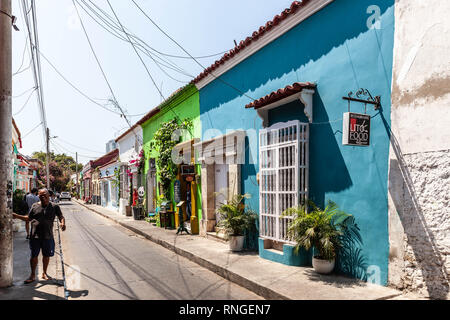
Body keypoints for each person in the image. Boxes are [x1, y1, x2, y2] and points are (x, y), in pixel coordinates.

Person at [13, 188, 66, 284]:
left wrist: (62, 223)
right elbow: (28, 218)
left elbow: (61, 216)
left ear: (49, 196)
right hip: (35, 236)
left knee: (46, 256)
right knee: (34, 256)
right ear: (38, 196)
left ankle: (44, 273)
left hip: (48, 236)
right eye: (41, 196)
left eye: (45, 195)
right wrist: (17, 216)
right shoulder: (34, 206)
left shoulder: (54, 207)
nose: (43, 197)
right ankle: (32, 275)